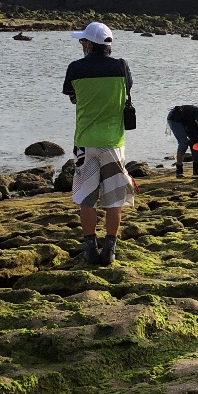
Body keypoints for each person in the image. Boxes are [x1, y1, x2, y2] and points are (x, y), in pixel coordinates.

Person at [63, 21, 136, 266]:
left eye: (83, 41)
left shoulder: (75, 68)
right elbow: (127, 90)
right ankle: (110, 249)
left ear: (89, 44)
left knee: (86, 198)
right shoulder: (121, 67)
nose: (81, 44)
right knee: (114, 199)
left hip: (85, 141)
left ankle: (89, 248)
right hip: (114, 142)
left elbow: (72, 97)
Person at [166, 105, 198, 177]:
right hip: (176, 117)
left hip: (187, 121)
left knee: (195, 143)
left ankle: (197, 169)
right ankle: (179, 170)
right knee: (184, 143)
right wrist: (196, 141)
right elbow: (191, 127)